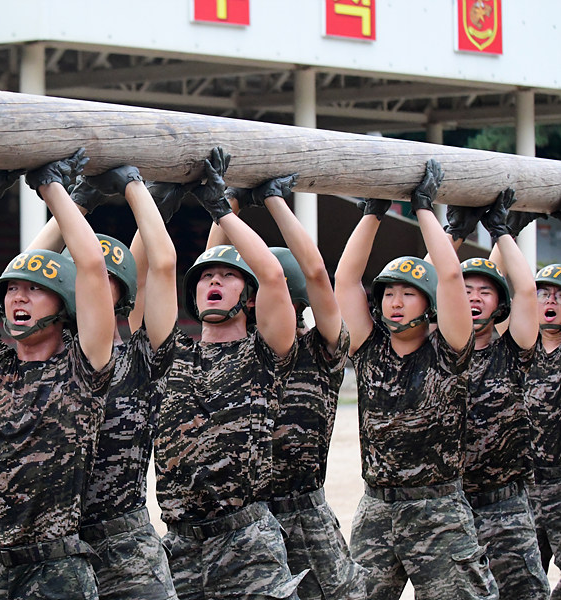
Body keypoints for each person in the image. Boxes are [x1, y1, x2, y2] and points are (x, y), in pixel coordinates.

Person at [0, 149, 116, 599]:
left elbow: (91, 267)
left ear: (63, 306)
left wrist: (51, 188)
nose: (19, 297)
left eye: (35, 290)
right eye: (13, 288)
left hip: (56, 565)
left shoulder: (84, 365)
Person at [333, 159, 498, 600]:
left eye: (407, 294)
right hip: (377, 509)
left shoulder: (449, 350)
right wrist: (371, 211)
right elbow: (345, 279)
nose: (395, 303)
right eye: (389, 293)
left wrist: (426, 211)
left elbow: (448, 275)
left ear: (429, 306)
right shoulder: (369, 350)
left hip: (439, 509)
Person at [151, 148, 305, 600]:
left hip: (247, 542)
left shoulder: (265, 352)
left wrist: (222, 207)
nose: (212, 283)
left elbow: (273, 277)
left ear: (249, 298)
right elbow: (156, 272)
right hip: (178, 544)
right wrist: (159, 200)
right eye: (204, 277)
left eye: (226, 277)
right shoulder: (170, 352)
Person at [24, 165, 179, 600]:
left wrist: (134, 186)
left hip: (126, 545)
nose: (90, 284)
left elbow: (160, 264)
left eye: (107, 278)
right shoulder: (51, 354)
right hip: (54, 545)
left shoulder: (144, 356)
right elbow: (27, 270)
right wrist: (77, 204)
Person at [218, 175, 367, 600]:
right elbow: (216, 259)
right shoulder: (240, 352)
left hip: (302, 514)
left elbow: (318, 273)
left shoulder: (323, 349)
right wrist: (224, 206)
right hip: (244, 517)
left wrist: (274, 200)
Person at [443, 192, 548, 598]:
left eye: (484, 292)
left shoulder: (513, 350)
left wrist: (502, 232)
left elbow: (525, 291)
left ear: (498, 304)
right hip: (450, 507)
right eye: (465, 289)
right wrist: (455, 234)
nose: (473, 297)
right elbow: (428, 279)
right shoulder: (438, 350)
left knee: (525, 593)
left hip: (505, 505)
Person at [526, 262, 561, 599]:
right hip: (524, 487)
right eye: (544, 294)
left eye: (560, 295)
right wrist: (505, 230)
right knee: (518, 577)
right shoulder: (521, 350)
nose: (552, 300)